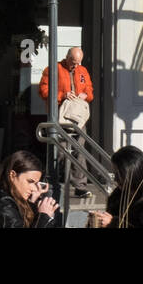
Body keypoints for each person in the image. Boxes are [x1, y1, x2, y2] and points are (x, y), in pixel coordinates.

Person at [39, 46, 94, 196]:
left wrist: (85, 95)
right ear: (68, 57)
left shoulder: (82, 71)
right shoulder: (52, 69)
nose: (76, 66)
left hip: (78, 119)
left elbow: (90, 90)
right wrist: (63, 94)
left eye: (79, 62)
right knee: (60, 151)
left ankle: (80, 186)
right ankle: (49, 181)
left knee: (79, 151)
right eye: (74, 62)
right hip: (60, 117)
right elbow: (43, 90)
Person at [0, 150, 60, 228]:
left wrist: (31, 203)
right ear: (12, 175)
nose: (34, 188)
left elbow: (18, 221)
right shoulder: (3, 204)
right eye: (30, 181)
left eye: (36, 183)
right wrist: (43, 217)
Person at [92, 146, 143, 228]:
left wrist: (113, 223)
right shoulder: (117, 196)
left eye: (119, 174)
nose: (116, 179)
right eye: (115, 174)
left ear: (132, 172)